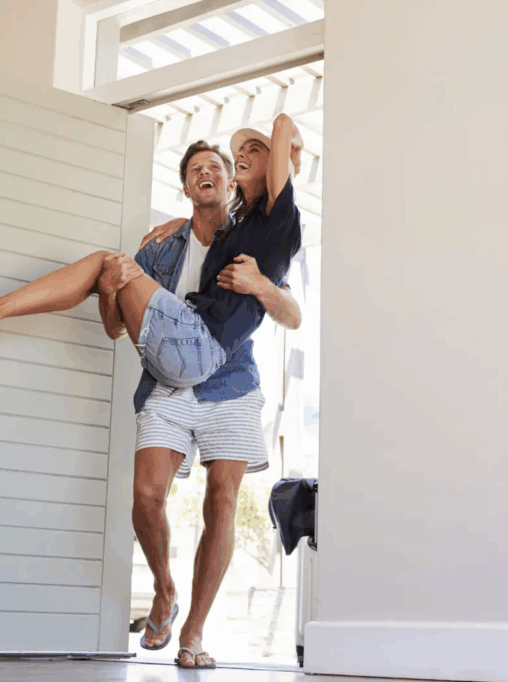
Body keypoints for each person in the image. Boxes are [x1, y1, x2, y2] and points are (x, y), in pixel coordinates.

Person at [102, 114, 304, 669]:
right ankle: (164, 590)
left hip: (231, 383)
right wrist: (118, 292)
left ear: (231, 180)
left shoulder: (254, 233)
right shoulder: (162, 245)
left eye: (218, 164)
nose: (208, 171)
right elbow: (117, 324)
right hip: (170, 382)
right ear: (188, 186)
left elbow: (291, 315)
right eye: (196, 169)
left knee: (221, 498)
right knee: (146, 496)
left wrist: (261, 284)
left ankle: (193, 630)